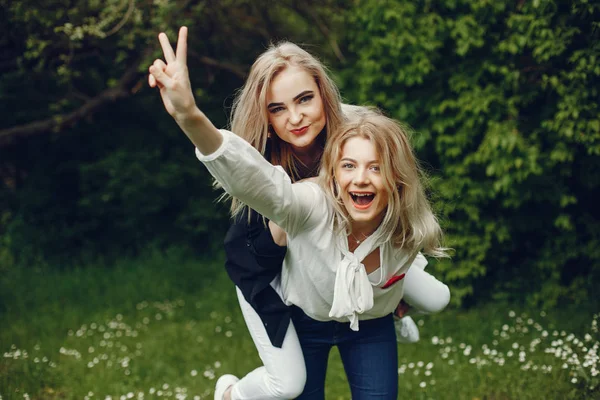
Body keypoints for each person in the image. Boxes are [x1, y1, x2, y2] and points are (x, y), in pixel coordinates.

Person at [148, 27, 450, 399]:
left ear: (323, 94)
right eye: (278, 108)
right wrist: (190, 115)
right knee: (290, 385)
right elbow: (252, 180)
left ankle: (389, 305)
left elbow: (395, 180)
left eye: (305, 99)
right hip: (270, 269)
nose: (295, 117)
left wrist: (390, 290)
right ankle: (232, 394)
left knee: (436, 297)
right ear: (267, 117)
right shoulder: (264, 165)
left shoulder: (357, 131)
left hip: (357, 251)